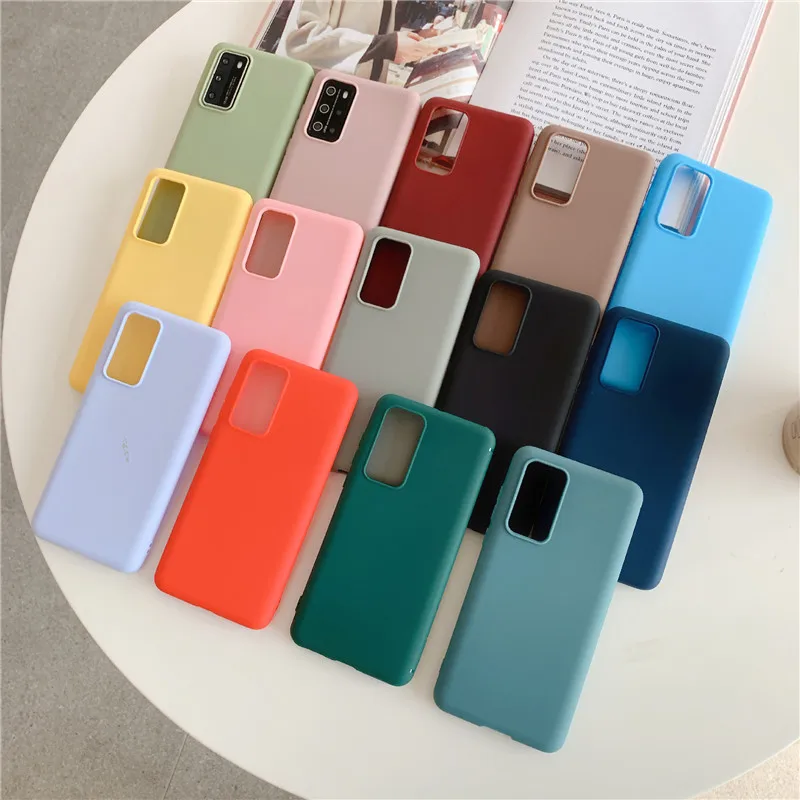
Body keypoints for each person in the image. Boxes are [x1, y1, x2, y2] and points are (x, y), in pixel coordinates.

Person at [284, 0, 444, 80]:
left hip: (362, 95)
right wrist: (386, 45)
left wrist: (417, 40)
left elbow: (378, 34)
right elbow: (304, 42)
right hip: (315, 97)